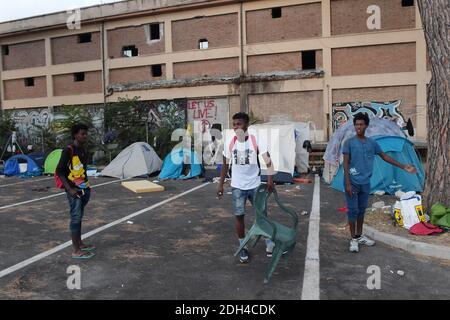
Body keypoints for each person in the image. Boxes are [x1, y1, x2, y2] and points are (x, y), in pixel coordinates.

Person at [343, 113, 417, 253]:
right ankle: (353, 239)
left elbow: (384, 156)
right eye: (356, 124)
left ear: (366, 126)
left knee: (361, 211)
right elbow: (345, 163)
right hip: (352, 182)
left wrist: (403, 166)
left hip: (365, 182)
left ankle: (359, 236)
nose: (358, 127)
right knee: (353, 211)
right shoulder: (349, 143)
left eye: (361, 124)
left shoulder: (372, 143)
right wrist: (347, 183)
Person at [217, 112, 275, 263]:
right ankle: (243, 245)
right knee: (239, 216)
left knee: (262, 214)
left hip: (255, 185)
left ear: (246, 125)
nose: (236, 127)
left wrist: (270, 180)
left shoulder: (256, 140)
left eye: (239, 124)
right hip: (237, 187)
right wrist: (221, 184)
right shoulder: (231, 143)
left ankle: (269, 243)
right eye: (234, 124)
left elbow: (268, 161)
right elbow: (225, 165)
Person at [56, 124, 96, 259]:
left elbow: (82, 170)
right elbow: (59, 171)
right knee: (75, 217)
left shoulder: (83, 150)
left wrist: (87, 187)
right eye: (82, 134)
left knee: (79, 216)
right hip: (74, 190)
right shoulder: (68, 150)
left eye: (86, 134)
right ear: (75, 135)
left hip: (84, 188)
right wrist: (70, 189)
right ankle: (76, 250)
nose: (85, 136)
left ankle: (80, 243)